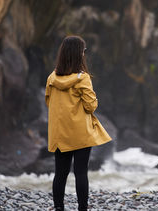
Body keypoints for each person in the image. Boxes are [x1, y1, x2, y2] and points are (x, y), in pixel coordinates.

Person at [45, 36, 112, 211]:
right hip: (80, 133)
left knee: (60, 173)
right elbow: (90, 106)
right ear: (78, 54)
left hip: (59, 133)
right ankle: (82, 208)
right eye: (83, 50)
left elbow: (48, 102)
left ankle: (59, 208)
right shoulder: (83, 78)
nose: (84, 53)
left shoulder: (51, 78)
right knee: (81, 172)